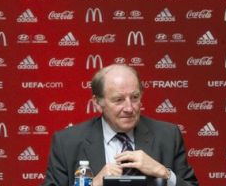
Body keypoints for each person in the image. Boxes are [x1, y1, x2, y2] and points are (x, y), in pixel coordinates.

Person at [43, 64, 198, 186]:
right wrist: (93, 184)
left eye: (135, 97)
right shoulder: (67, 143)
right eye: (118, 100)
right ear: (98, 103)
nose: (129, 108)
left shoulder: (168, 136)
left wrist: (164, 173)